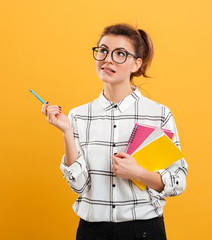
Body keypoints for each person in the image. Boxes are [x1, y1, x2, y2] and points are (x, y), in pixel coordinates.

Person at [41, 23, 188, 240]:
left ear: (136, 64)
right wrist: (66, 132)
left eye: (120, 54)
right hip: (92, 232)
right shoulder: (78, 116)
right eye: (103, 50)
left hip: (145, 232)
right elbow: (79, 185)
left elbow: (178, 181)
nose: (107, 59)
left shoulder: (158, 114)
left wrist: (138, 173)